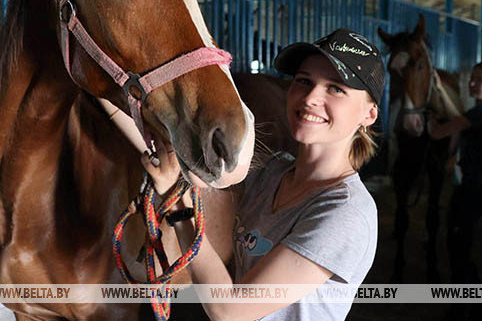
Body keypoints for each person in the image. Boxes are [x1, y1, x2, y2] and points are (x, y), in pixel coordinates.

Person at [142, 28, 384, 320]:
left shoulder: (345, 213)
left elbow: (228, 309)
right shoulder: (271, 173)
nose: (310, 98)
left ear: (368, 115)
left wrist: (179, 208)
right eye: (304, 81)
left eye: (336, 88)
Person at [428, 61, 482, 319]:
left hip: (471, 192)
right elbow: (459, 120)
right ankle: (474, 307)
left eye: (480, 81)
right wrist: (440, 90)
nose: (472, 84)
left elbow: (440, 132)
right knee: (462, 249)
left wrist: (428, 119)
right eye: (471, 79)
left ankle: (461, 310)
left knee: (459, 252)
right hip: (475, 189)